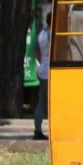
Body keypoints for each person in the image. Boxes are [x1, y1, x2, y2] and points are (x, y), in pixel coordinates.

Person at [33, 12, 50, 140]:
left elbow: (36, 51)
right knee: (52, 102)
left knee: (41, 102)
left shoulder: (41, 33)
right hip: (50, 72)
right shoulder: (52, 33)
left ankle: (37, 129)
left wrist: (42, 61)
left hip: (42, 70)